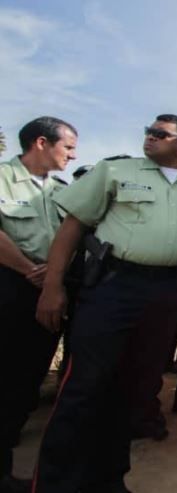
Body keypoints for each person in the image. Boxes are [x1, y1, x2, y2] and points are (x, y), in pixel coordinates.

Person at [33, 114, 177, 493]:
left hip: (168, 292)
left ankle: (109, 480)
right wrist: (52, 285)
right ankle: (54, 484)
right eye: (148, 132)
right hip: (114, 286)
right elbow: (72, 227)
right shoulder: (114, 171)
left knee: (135, 390)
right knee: (84, 388)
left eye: (160, 134)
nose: (149, 138)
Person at [0, 116, 78, 493]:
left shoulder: (60, 190)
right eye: (68, 146)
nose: (73, 154)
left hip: (49, 292)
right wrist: (32, 270)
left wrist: (53, 277)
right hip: (11, 285)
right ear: (42, 143)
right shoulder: (2, 177)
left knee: (24, 381)